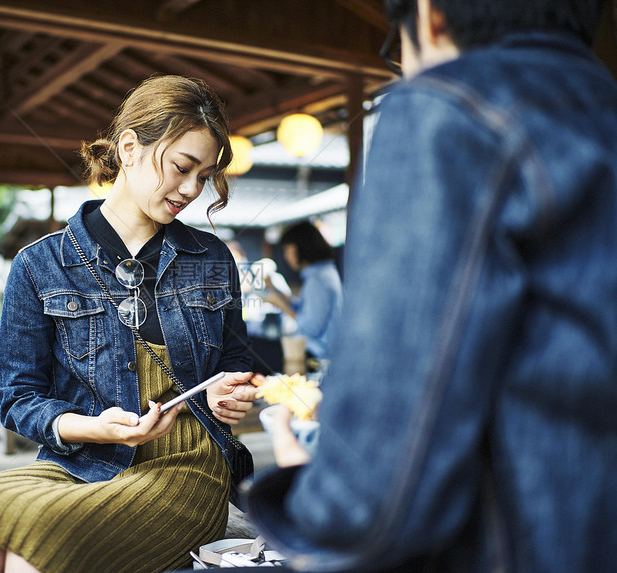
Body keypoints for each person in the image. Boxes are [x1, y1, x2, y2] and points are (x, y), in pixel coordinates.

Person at [241, 1, 617, 571]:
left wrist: (297, 498)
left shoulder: (452, 107)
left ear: (429, 15)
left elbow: (372, 493)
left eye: (397, 48)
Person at [0, 75, 259, 573]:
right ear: (129, 147)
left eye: (204, 176)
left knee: (33, 543)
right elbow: (17, 397)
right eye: (182, 168)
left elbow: (235, 363)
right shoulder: (40, 264)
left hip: (186, 467)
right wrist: (97, 430)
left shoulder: (211, 258)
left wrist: (232, 393)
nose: (191, 189)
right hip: (76, 461)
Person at [262, 221, 343, 365]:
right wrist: (283, 297)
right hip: (314, 352)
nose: (287, 257)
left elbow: (311, 328)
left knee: (254, 348)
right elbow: (311, 311)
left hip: (315, 357)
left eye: (288, 250)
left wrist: (282, 306)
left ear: (302, 248)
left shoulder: (318, 279)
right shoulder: (323, 273)